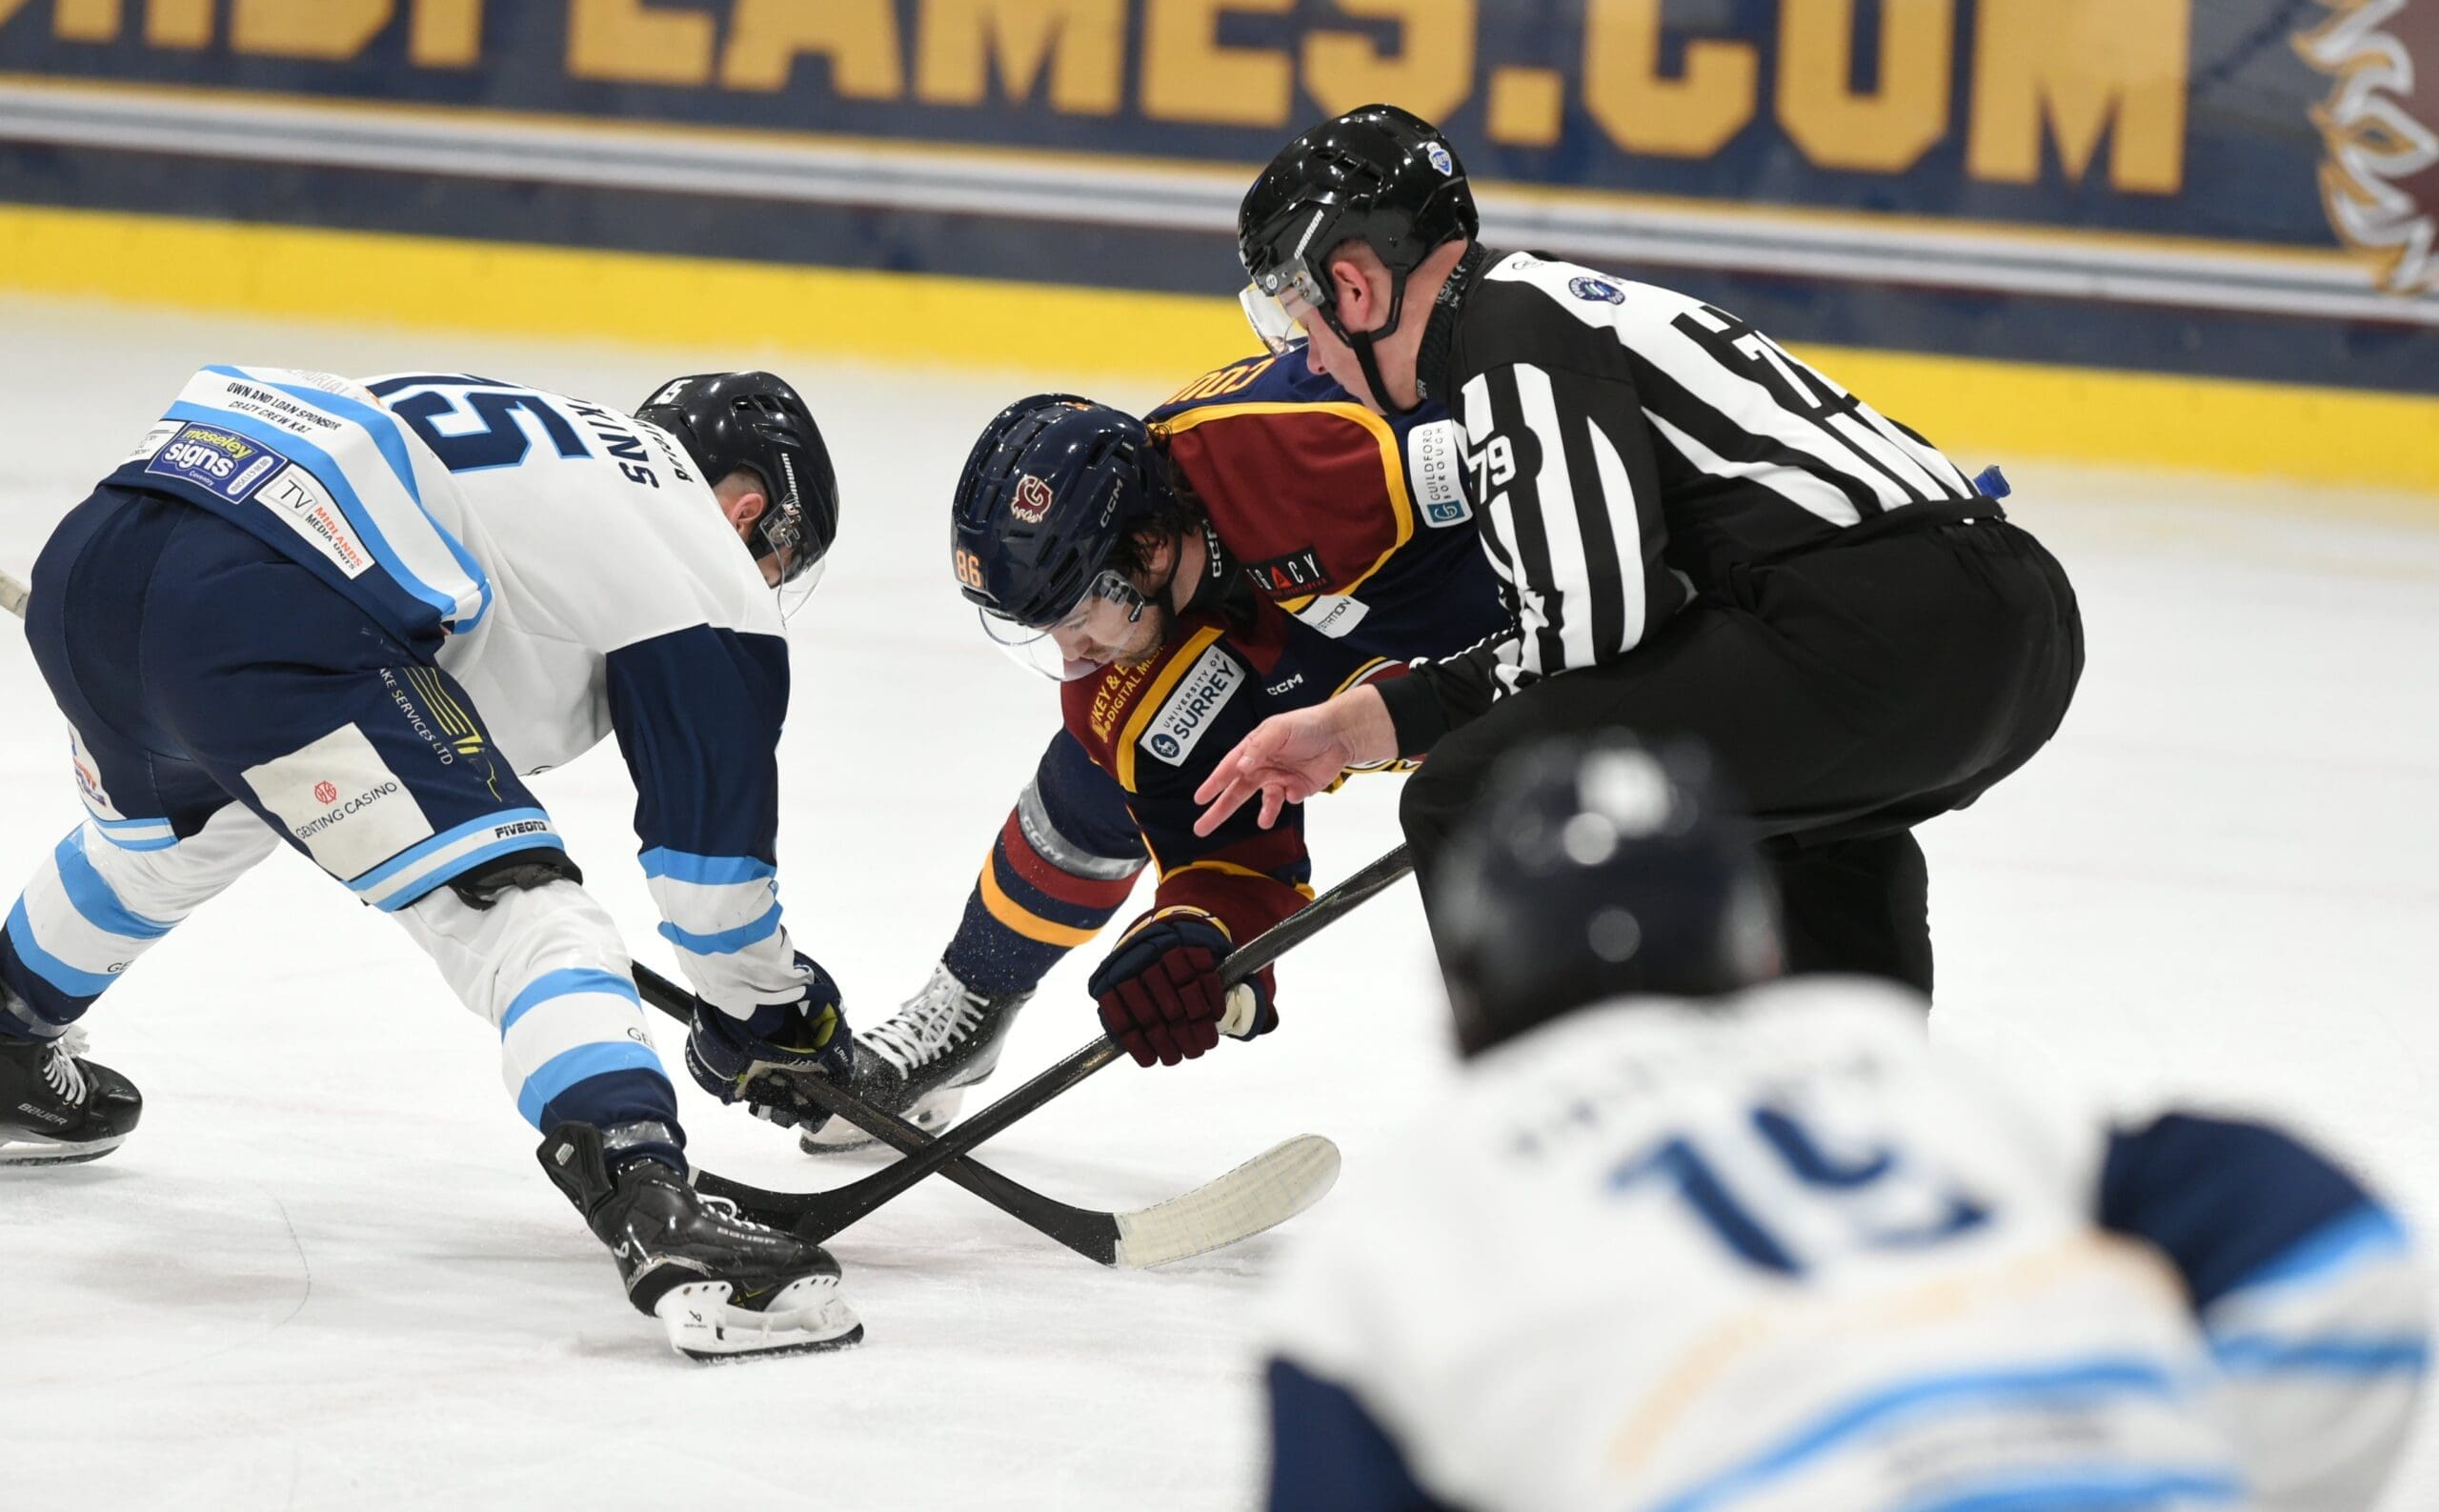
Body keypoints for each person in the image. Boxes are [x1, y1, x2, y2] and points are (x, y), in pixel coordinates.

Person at [1263, 735, 2430, 1511]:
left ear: (1467, 980)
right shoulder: (1887, 1058)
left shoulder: (1423, 1199)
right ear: (1756, 945)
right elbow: (2345, 1266)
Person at [0, 364, 863, 1361]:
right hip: (261, 611)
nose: (765, 585)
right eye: (779, 557)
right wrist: (774, 1021)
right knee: (530, 916)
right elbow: (708, 886)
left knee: (169, 844)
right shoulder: (696, 552)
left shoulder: (554, 452)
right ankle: (654, 1205)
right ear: (747, 508)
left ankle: (8, 1035)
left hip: (103, 557)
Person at [1200, 106, 2085, 997]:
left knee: (1470, 796)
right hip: (2008, 635)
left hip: (1884, 629)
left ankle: (1585, 1115)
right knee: (1793, 823)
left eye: (1298, 321)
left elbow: (1591, 638)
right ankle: (1853, 1109)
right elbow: (1628, 651)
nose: (1309, 360)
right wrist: (1357, 727)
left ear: (1353, 288)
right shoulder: (1556, 306)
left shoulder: (1507, 339)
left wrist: (1402, 726)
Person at [802, 347, 1507, 1151]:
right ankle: (971, 998)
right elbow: (1238, 867)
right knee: (1098, 772)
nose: (1071, 657)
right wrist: (1197, 936)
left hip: (1586, 643)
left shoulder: (1311, 451)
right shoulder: (1128, 681)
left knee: (1512, 840)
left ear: (1148, 551)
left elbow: (1561, 445)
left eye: (1072, 615)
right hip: (1416, 698)